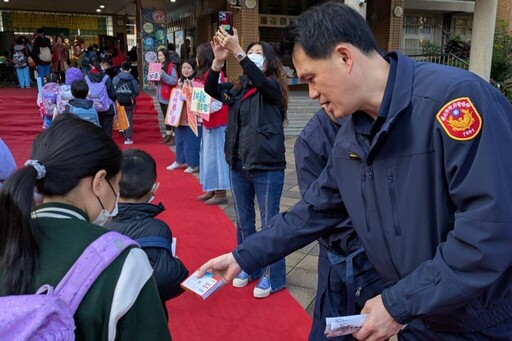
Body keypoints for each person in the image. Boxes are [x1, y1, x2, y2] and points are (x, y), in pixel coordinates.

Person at [199, 2, 512, 340]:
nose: (313, 93)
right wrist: (243, 255)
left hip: (479, 323)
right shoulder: (351, 135)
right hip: (419, 318)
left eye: (312, 78)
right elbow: (314, 210)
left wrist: (398, 303)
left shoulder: (454, 103)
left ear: (345, 57)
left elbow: (489, 230)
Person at [0, 115, 171, 340]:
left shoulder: (8, 232)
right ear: (99, 182)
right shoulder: (124, 259)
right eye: (116, 185)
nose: (117, 196)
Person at [203, 27, 289, 298]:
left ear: (269, 60)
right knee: (244, 222)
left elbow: (261, 81)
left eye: (257, 53)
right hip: (239, 164)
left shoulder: (272, 86)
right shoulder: (239, 88)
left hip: (266, 165)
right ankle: (249, 266)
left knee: (270, 223)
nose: (252, 56)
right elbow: (211, 89)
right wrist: (218, 61)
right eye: (249, 52)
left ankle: (274, 276)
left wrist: (238, 51)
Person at [295, 108, 383, 341]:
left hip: (384, 254)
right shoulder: (312, 138)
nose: (314, 93)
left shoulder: (377, 120)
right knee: (334, 325)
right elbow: (317, 211)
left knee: (373, 327)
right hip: (343, 255)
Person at [106, 149, 189, 320]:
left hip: (106, 315)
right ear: (154, 188)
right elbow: (167, 279)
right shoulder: (157, 228)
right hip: (148, 316)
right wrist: (178, 267)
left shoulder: (100, 224)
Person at [195, 43, 230, 205]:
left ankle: (220, 190)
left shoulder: (215, 74)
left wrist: (199, 108)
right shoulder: (203, 75)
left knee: (216, 156)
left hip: (217, 122)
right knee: (208, 156)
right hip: (209, 121)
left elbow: (218, 102)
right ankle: (211, 187)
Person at [165, 59, 202, 174]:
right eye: (183, 68)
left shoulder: (197, 81)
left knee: (191, 140)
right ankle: (179, 160)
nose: (185, 70)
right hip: (179, 115)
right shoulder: (180, 81)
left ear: (193, 70)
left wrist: (191, 88)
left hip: (192, 116)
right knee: (179, 139)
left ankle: (193, 163)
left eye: (188, 68)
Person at [85, 54, 116, 137]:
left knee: (94, 134)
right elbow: (112, 93)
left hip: (91, 108)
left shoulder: (86, 78)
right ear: (100, 63)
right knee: (107, 134)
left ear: (90, 65)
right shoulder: (106, 77)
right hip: (107, 108)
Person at [154, 48, 178, 145]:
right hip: (160, 95)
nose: (159, 57)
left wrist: (163, 75)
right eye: (158, 55)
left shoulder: (171, 67)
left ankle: (174, 136)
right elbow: (156, 82)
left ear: (165, 56)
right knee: (165, 117)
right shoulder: (157, 66)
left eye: (161, 55)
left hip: (168, 95)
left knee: (171, 116)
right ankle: (168, 135)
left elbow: (174, 80)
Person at [112, 61, 139, 145]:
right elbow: (136, 91)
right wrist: (132, 97)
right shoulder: (133, 80)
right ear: (130, 69)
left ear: (121, 69)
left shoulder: (116, 78)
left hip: (118, 101)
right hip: (129, 101)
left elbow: (113, 89)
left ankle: (121, 130)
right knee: (129, 119)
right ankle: (128, 138)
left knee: (119, 116)